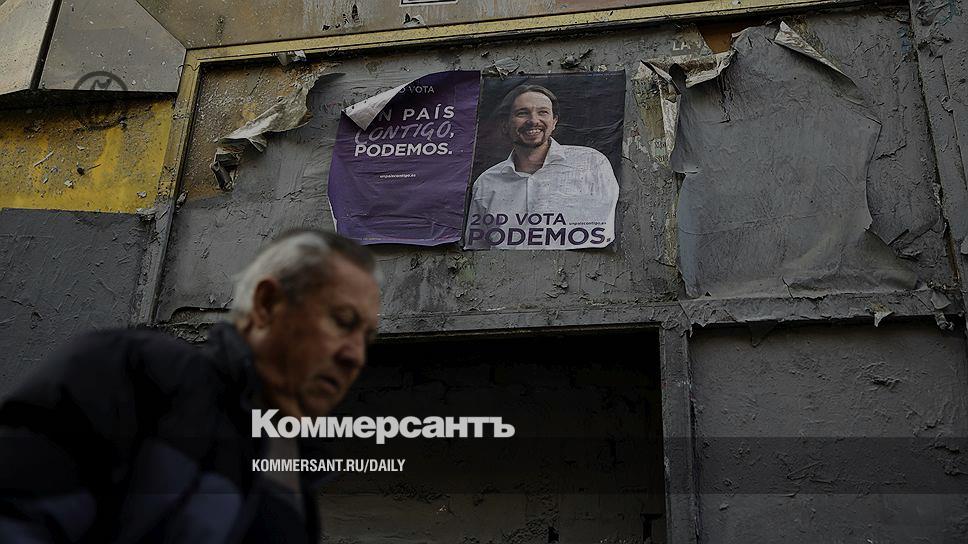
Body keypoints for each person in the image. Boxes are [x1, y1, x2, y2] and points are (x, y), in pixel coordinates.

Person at [0, 229, 380, 543]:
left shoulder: (300, 478)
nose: (356, 357)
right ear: (267, 304)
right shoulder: (136, 373)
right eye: (342, 321)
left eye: (366, 337)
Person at [465, 84, 620, 249]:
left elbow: (606, 235)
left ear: (554, 122)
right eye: (522, 113)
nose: (533, 121)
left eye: (543, 112)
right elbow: (477, 249)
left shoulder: (591, 163)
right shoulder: (486, 183)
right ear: (505, 124)